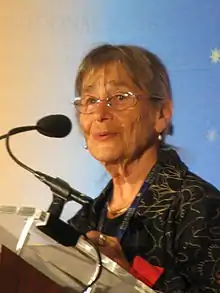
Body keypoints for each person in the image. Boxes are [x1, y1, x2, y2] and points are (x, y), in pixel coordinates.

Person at [67, 44, 220, 292]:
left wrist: (128, 277)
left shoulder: (201, 207)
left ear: (161, 114)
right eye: (90, 100)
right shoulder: (87, 218)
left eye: (119, 98)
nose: (99, 113)